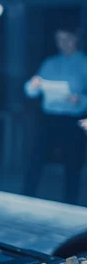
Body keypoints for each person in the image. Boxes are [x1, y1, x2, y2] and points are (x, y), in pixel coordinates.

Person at [24, 24, 87, 204]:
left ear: (76, 39)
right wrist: (33, 84)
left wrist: (80, 100)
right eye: (58, 39)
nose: (61, 43)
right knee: (36, 161)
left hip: (73, 121)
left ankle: (70, 206)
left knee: (73, 166)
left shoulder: (84, 64)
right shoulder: (49, 63)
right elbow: (30, 91)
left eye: (66, 39)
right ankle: (26, 199)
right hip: (49, 119)